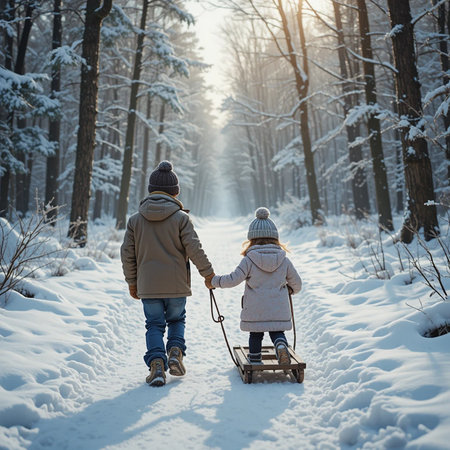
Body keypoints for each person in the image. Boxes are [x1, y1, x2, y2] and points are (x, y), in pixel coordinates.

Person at [121, 160, 215, 387]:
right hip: (176, 285)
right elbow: (195, 248)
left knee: (153, 324)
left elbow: (127, 254)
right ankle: (174, 352)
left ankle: (156, 365)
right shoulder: (181, 218)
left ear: (151, 191)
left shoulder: (135, 220)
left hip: (148, 285)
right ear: (175, 192)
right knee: (176, 319)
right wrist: (208, 275)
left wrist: (132, 282)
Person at [205, 207, 302, 364]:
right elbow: (297, 284)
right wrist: (290, 290)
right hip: (278, 309)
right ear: (275, 238)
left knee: (256, 334)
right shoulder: (284, 260)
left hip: (255, 309)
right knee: (277, 331)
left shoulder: (249, 260)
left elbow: (232, 279)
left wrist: (214, 281)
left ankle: (255, 359)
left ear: (251, 238)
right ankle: (281, 346)